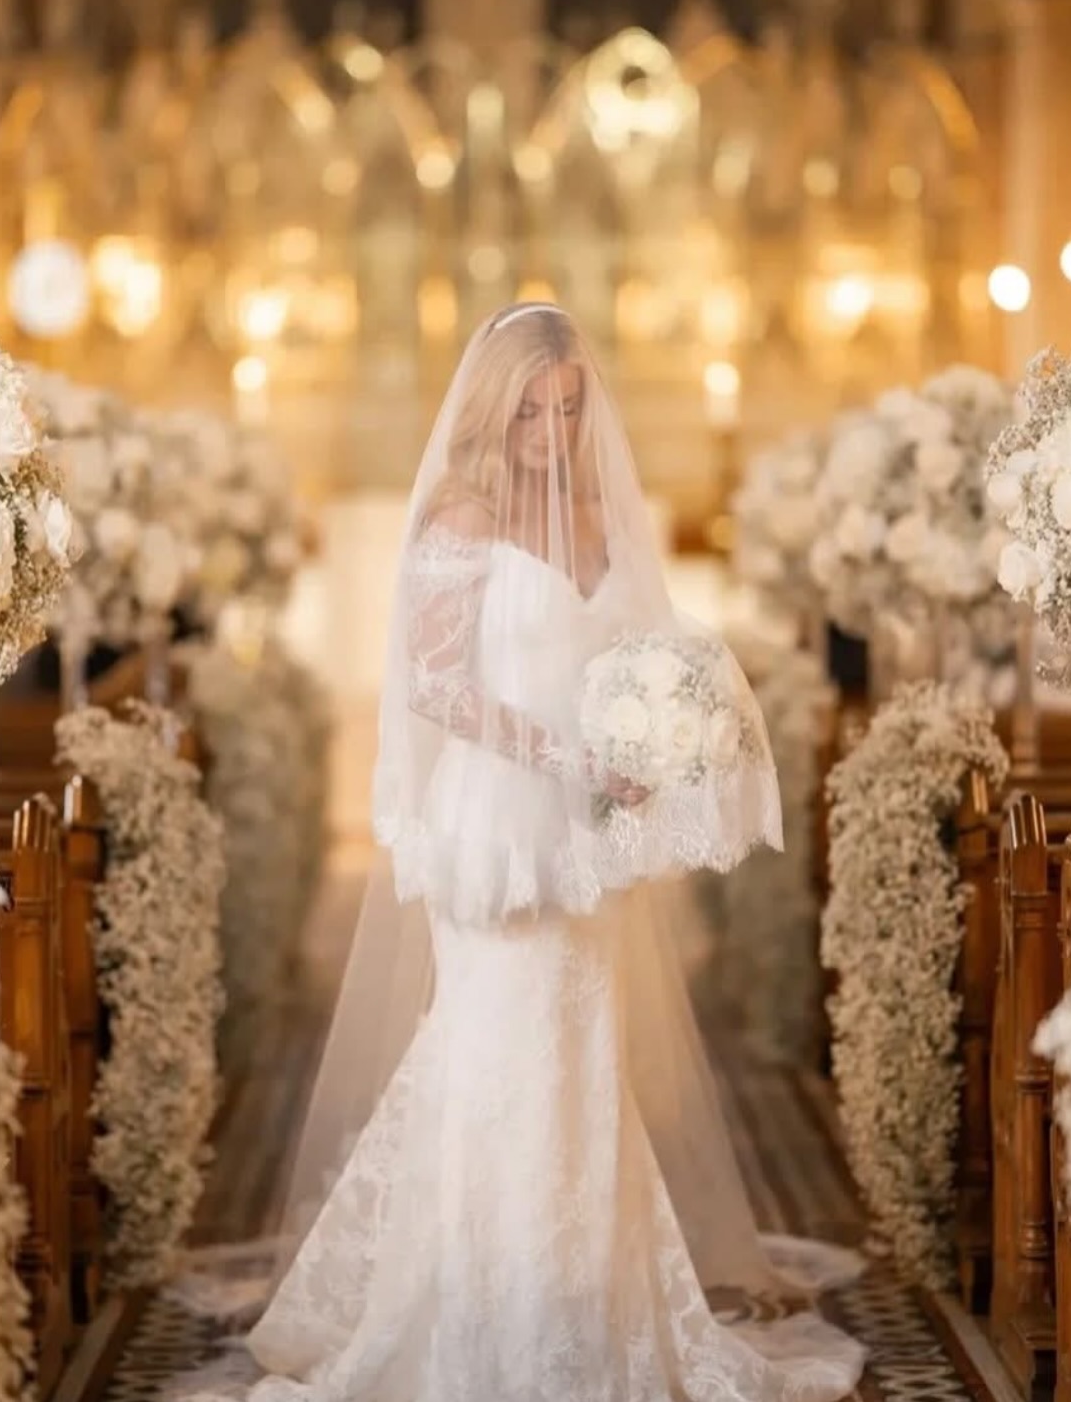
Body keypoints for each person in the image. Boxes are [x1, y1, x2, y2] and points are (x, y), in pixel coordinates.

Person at [174, 304, 866, 1402]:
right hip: (498, 822)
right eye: (534, 408)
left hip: (583, 830)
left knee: (585, 1054)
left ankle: (597, 1305)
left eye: (570, 405)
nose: (553, 427)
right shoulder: (458, 517)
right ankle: (476, 1312)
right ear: (494, 407)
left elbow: (637, 652)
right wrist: (569, 758)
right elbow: (440, 688)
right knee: (497, 1047)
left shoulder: (599, 515)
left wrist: (662, 727)